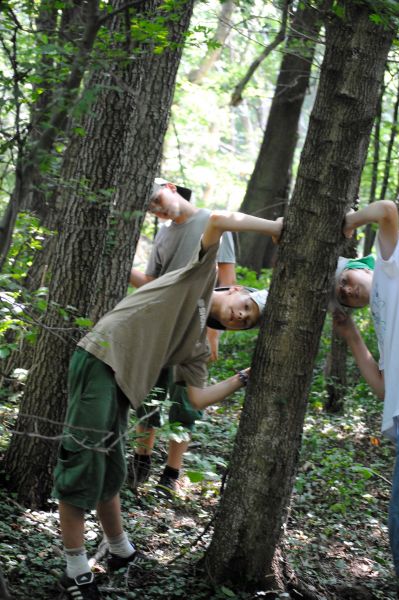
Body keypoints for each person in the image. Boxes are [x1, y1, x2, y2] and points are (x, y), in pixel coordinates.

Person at [53, 209, 282, 599]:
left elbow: (196, 398)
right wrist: (274, 228)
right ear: (235, 290)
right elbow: (219, 221)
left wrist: (242, 378)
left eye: (244, 322)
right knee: (84, 459)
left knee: (111, 467)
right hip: (101, 359)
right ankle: (75, 568)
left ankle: (121, 549)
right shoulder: (201, 276)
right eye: (245, 307)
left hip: (122, 382)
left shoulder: (195, 348)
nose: (239, 316)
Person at [129, 179, 237, 495]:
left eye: (157, 199)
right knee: (149, 397)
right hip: (160, 330)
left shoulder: (213, 222)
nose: (156, 209)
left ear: (172, 188)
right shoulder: (163, 235)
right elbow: (151, 282)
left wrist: (213, 334)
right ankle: (140, 463)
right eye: (150, 208)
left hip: (196, 331)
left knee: (185, 405)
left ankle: (171, 475)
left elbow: (228, 282)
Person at [333, 200, 399, 593]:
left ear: (363, 268)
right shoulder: (382, 322)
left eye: (346, 279)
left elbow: (388, 210)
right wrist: (352, 336)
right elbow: (381, 387)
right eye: (341, 293)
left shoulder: (390, 266)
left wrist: (349, 223)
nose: (345, 290)